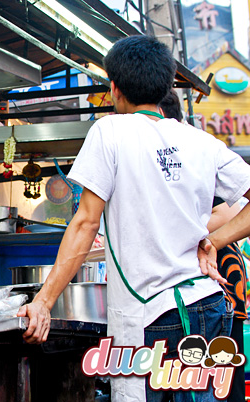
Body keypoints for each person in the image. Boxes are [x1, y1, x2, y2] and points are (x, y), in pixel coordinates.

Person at [17, 35, 250, 402]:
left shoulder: (110, 131)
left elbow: (85, 223)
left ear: (114, 89)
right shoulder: (202, 142)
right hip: (206, 306)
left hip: (151, 317)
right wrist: (214, 241)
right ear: (167, 83)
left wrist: (44, 301)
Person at [161, 89, 248, 402]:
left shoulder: (192, 152)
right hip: (208, 282)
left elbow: (228, 210)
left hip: (220, 279)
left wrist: (188, 230)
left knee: (224, 380)